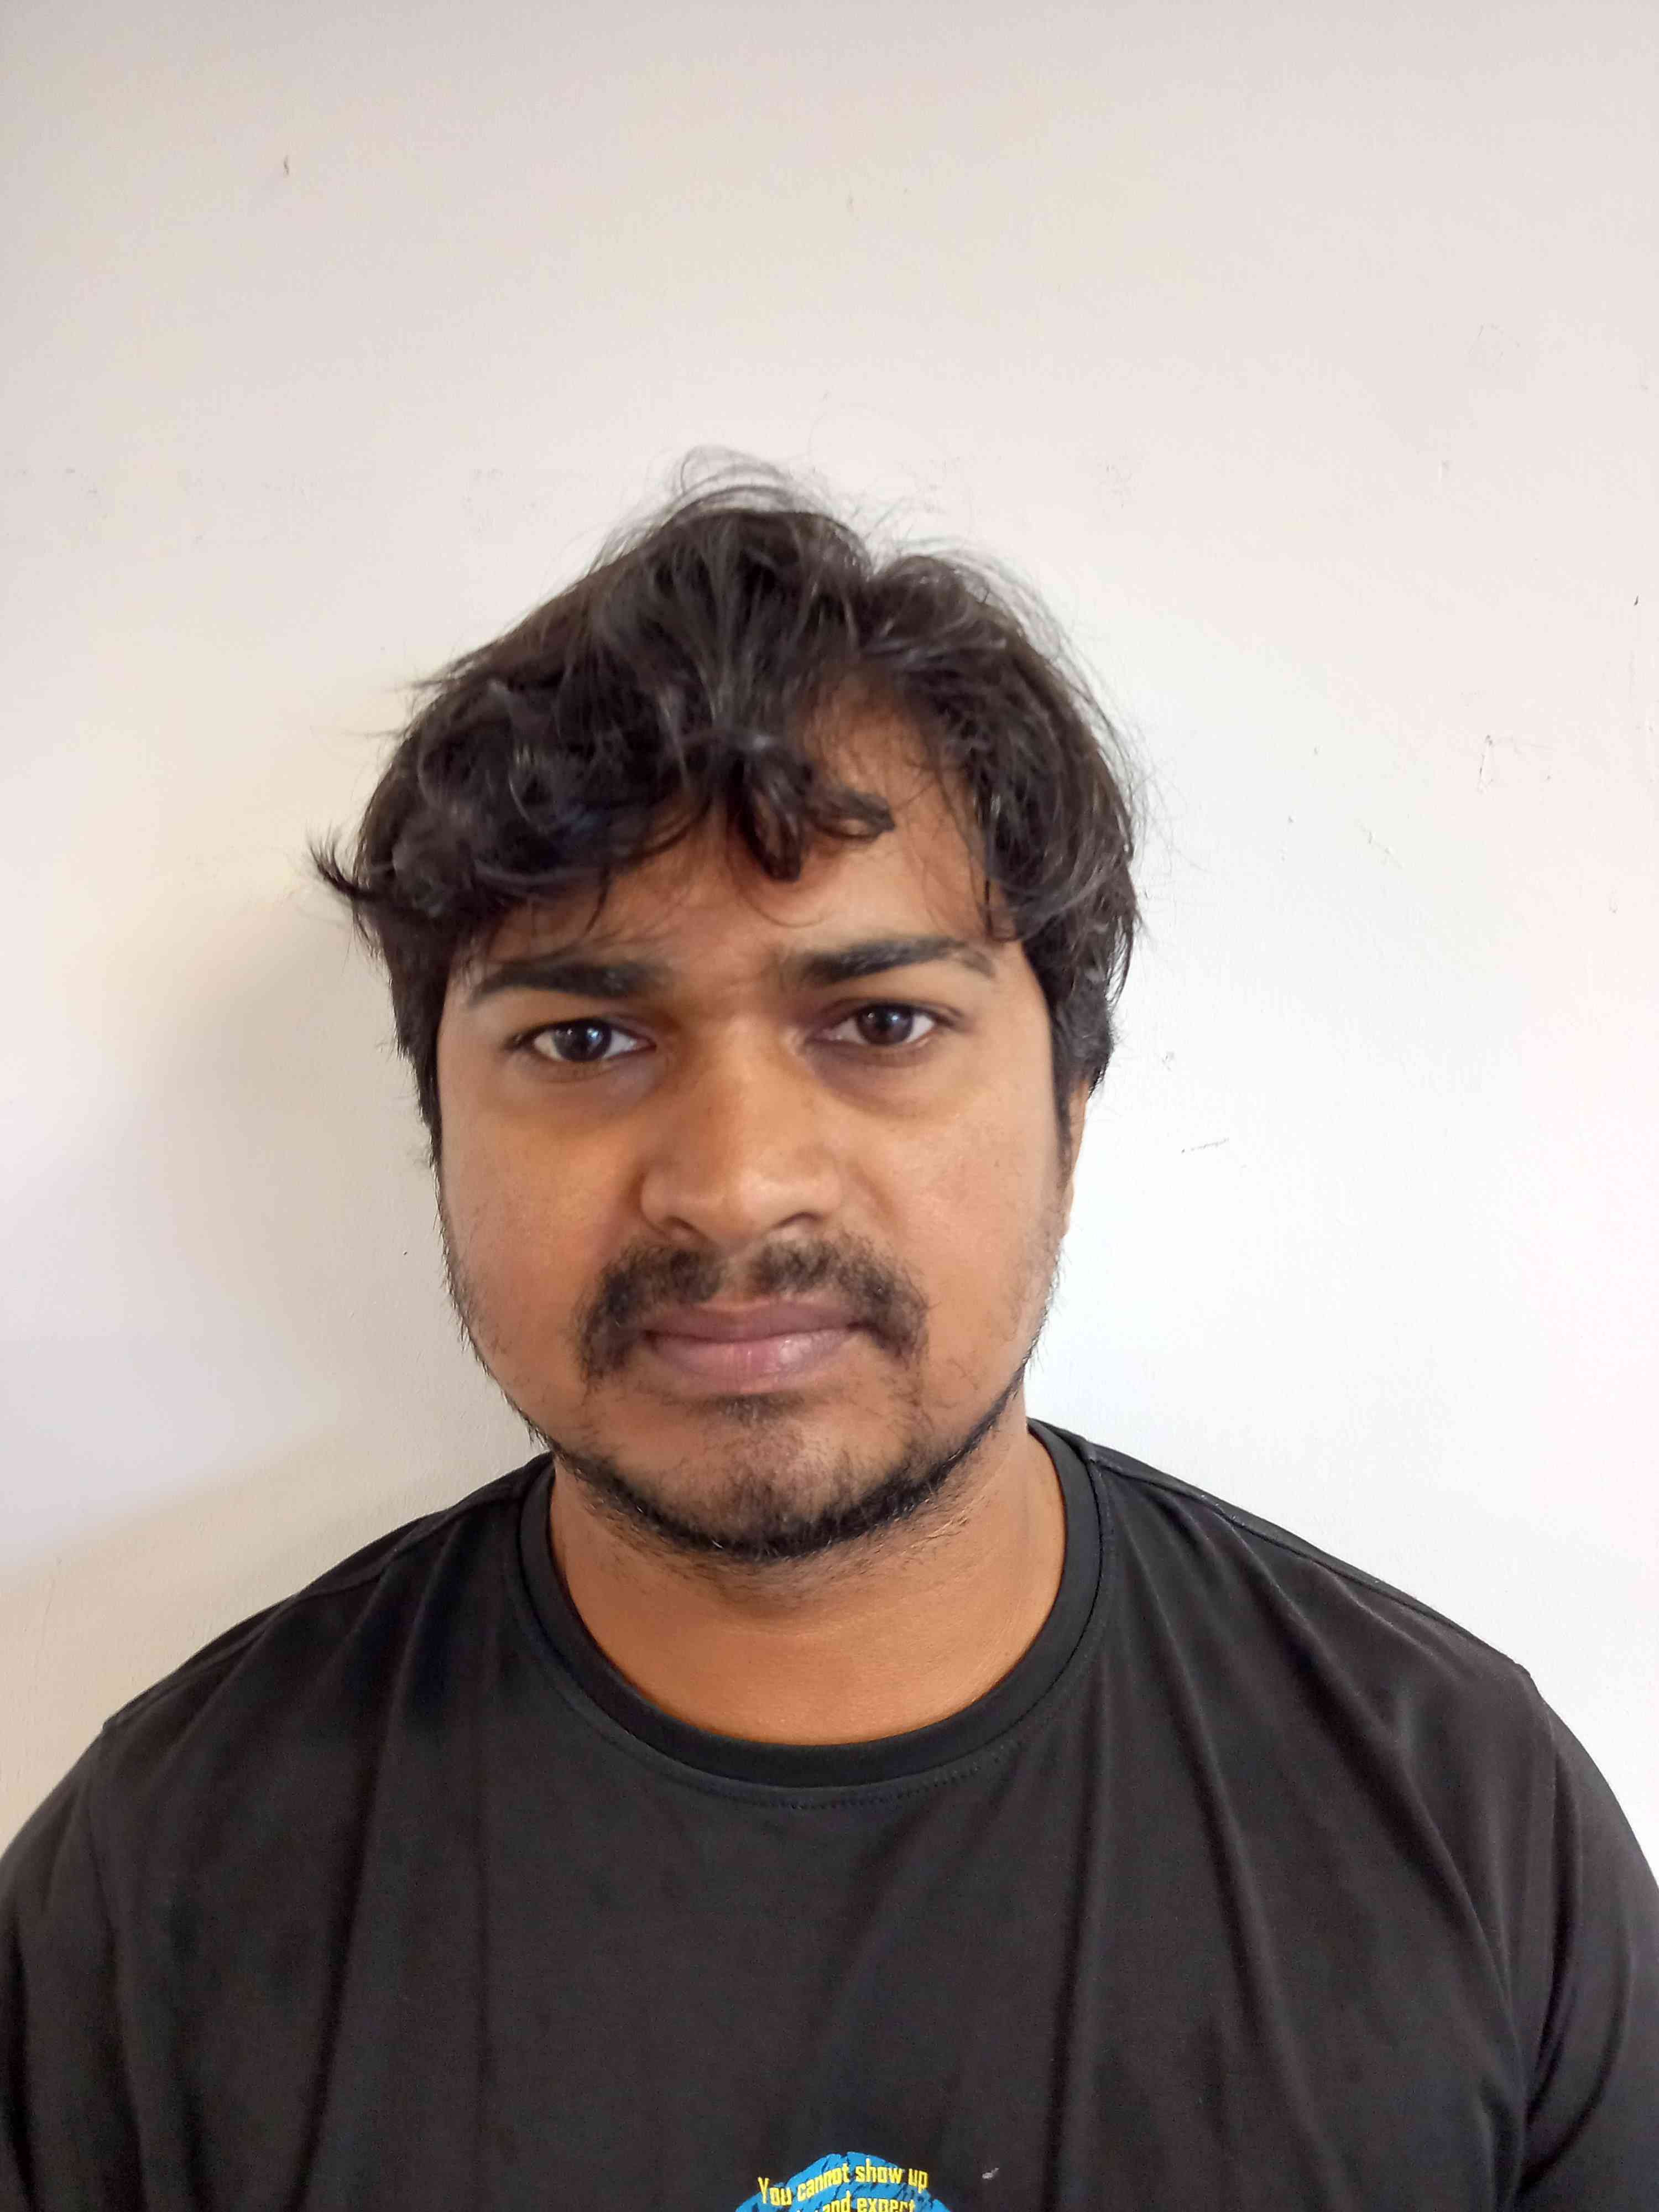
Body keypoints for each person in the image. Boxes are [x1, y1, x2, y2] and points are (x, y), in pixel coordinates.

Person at [2, 471, 1655, 2212]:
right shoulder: (158, 1893)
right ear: (438, 1127)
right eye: (584, 1042)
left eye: (879, 1022)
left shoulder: (1467, 1824)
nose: (734, 1187)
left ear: (1071, 1105)